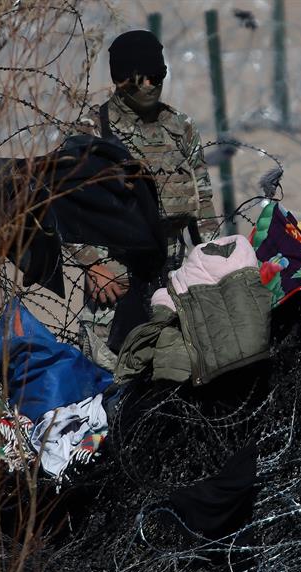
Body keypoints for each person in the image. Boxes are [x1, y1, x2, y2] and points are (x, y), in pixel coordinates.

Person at [69, 30, 219, 369]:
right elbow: (65, 205)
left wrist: (210, 259)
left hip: (175, 271)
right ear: (122, 80)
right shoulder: (93, 131)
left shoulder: (179, 127)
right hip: (117, 275)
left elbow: (203, 202)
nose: (151, 85)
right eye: (142, 78)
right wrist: (93, 265)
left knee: (180, 368)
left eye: (159, 76)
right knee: (110, 372)